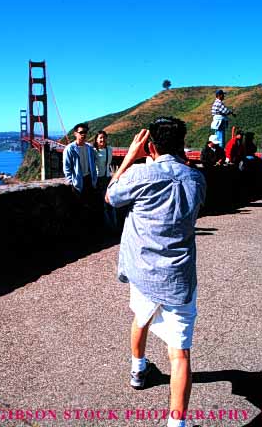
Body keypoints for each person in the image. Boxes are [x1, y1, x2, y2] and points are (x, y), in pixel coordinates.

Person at [106, 117, 206, 427]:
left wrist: (131, 159)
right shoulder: (197, 179)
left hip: (143, 272)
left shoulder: (140, 173)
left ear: (150, 146)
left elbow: (111, 196)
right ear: (184, 147)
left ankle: (138, 370)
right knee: (180, 355)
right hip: (178, 278)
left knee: (141, 318)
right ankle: (176, 424)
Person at [62, 122, 97, 197]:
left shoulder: (89, 148)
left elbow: (93, 163)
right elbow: (66, 167)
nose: (83, 134)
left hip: (89, 180)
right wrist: (71, 182)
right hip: (77, 181)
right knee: (78, 205)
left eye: (85, 132)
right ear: (75, 134)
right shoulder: (69, 149)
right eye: (81, 132)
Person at [93, 130, 117, 230]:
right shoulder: (93, 151)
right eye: (100, 138)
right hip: (98, 179)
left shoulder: (109, 150)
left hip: (107, 178)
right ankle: (107, 227)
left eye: (104, 137)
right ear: (96, 140)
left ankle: (113, 226)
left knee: (110, 203)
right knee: (102, 204)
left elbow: (109, 164)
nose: (102, 139)